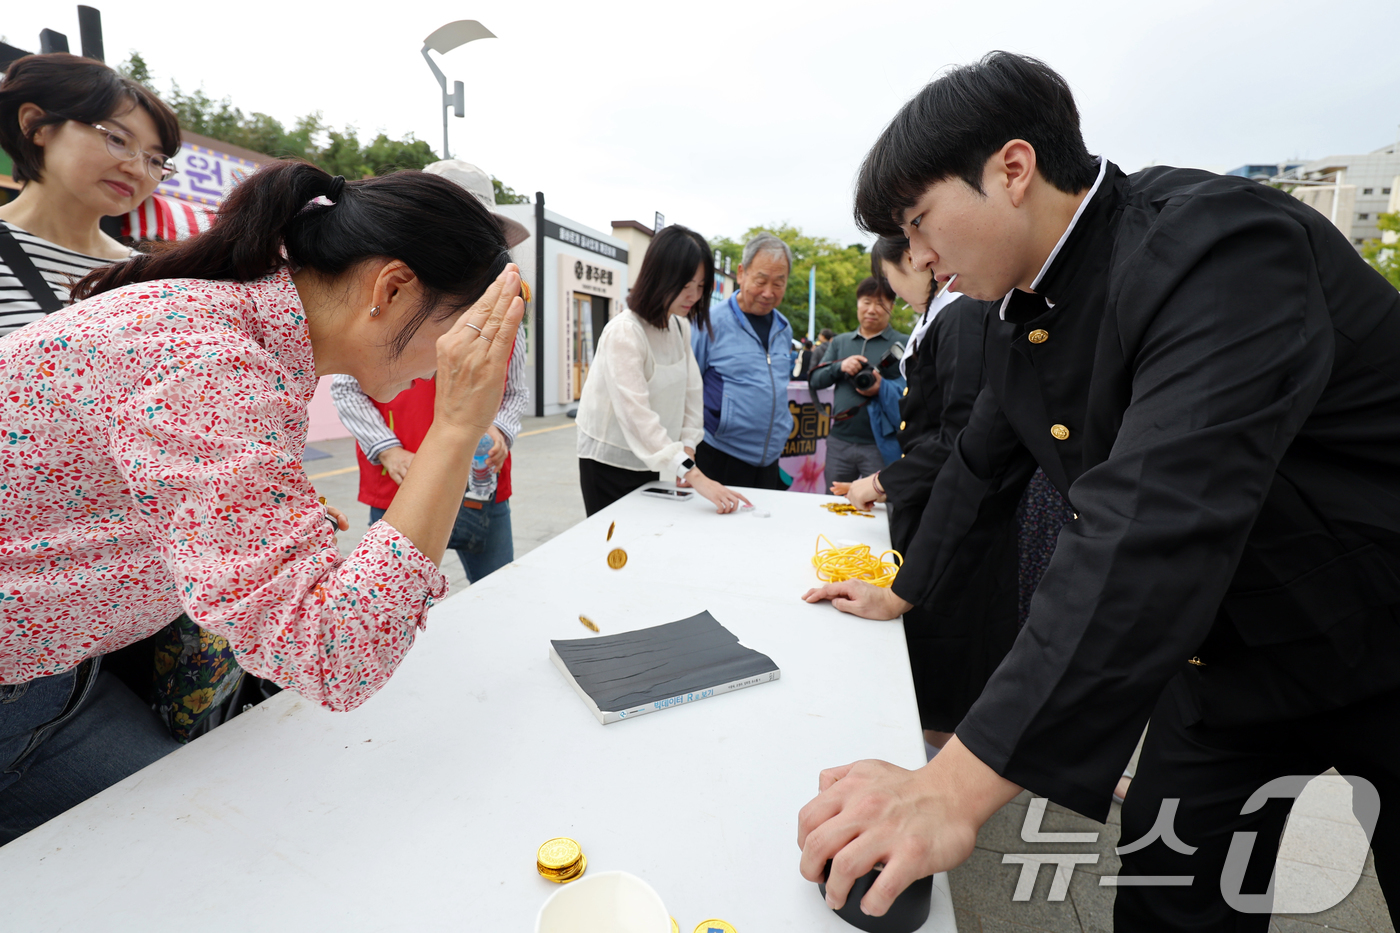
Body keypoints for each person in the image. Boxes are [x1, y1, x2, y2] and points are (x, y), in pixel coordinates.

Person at [798, 51, 1400, 929]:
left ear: (1012, 169)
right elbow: (978, 469)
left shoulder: (1219, 249)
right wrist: (905, 587)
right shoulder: (1018, 318)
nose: (917, 258)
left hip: (1381, 631)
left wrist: (952, 789)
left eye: (922, 221)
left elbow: (1149, 526)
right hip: (1228, 671)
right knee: (1167, 900)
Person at [0, 159, 523, 844]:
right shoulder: (210, 362)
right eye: (464, 335)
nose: (458, 362)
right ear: (391, 287)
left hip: (61, 673)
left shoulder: (234, 328)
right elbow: (332, 653)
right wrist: (455, 427)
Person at [331, 159, 530, 583]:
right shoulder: (386, 301)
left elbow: (514, 392)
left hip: (481, 487)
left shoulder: (507, 316)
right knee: (389, 594)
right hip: (399, 485)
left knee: (501, 592)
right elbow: (347, 389)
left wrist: (499, 431)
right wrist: (388, 449)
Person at [576, 224, 751, 515]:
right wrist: (694, 475)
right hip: (610, 461)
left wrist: (688, 450)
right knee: (615, 549)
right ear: (660, 277)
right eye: (685, 286)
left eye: (700, 286)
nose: (694, 295)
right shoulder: (625, 332)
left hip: (652, 458)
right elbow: (637, 416)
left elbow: (692, 395)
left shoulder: (678, 326)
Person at [0, 53, 180, 335]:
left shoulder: (149, 278)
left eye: (156, 160)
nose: (138, 171)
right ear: (38, 125)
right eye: (118, 139)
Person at [690, 232, 795, 490]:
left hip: (769, 459)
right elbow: (687, 388)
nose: (768, 293)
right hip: (719, 455)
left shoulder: (784, 328)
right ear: (741, 273)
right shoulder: (709, 322)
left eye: (779, 283)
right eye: (761, 280)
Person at [807, 276, 906, 492]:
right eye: (866, 302)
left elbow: (913, 390)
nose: (872, 309)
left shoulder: (903, 343)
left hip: (881, 445)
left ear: (892, 306)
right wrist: (840, 367)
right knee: (832, 501)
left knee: (877, 506)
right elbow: (815, 380)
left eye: (880, 303)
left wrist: (881, 387)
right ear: (858, 304)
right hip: (839, 442)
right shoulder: (840, 342)